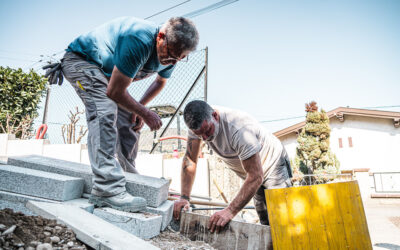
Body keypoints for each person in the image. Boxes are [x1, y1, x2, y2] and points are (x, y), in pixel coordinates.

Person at [47, 17, 199, 212]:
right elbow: (114, 92)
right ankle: (107, 189)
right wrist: (145, 113)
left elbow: (160, 82)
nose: (172, 61)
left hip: (106, 76)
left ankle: (130, 180)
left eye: (180, 58)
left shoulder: (174, 53)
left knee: (130, 119)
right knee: (104, 110)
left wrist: (140, 109)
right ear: (160, 37)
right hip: (80, 62)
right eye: (170, 55)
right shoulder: (139, 39)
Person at [173, 100, 292, 232]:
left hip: (273, 164)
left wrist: (230, 211)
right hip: (252, 174)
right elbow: (190, 159)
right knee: (266, 223)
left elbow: (256, 176)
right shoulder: (199, 126)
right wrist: (184, 197)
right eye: (200, 135)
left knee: (283, 222)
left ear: (215, 116)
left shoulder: (239, 129)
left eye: (208, 131)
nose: (205, 138)